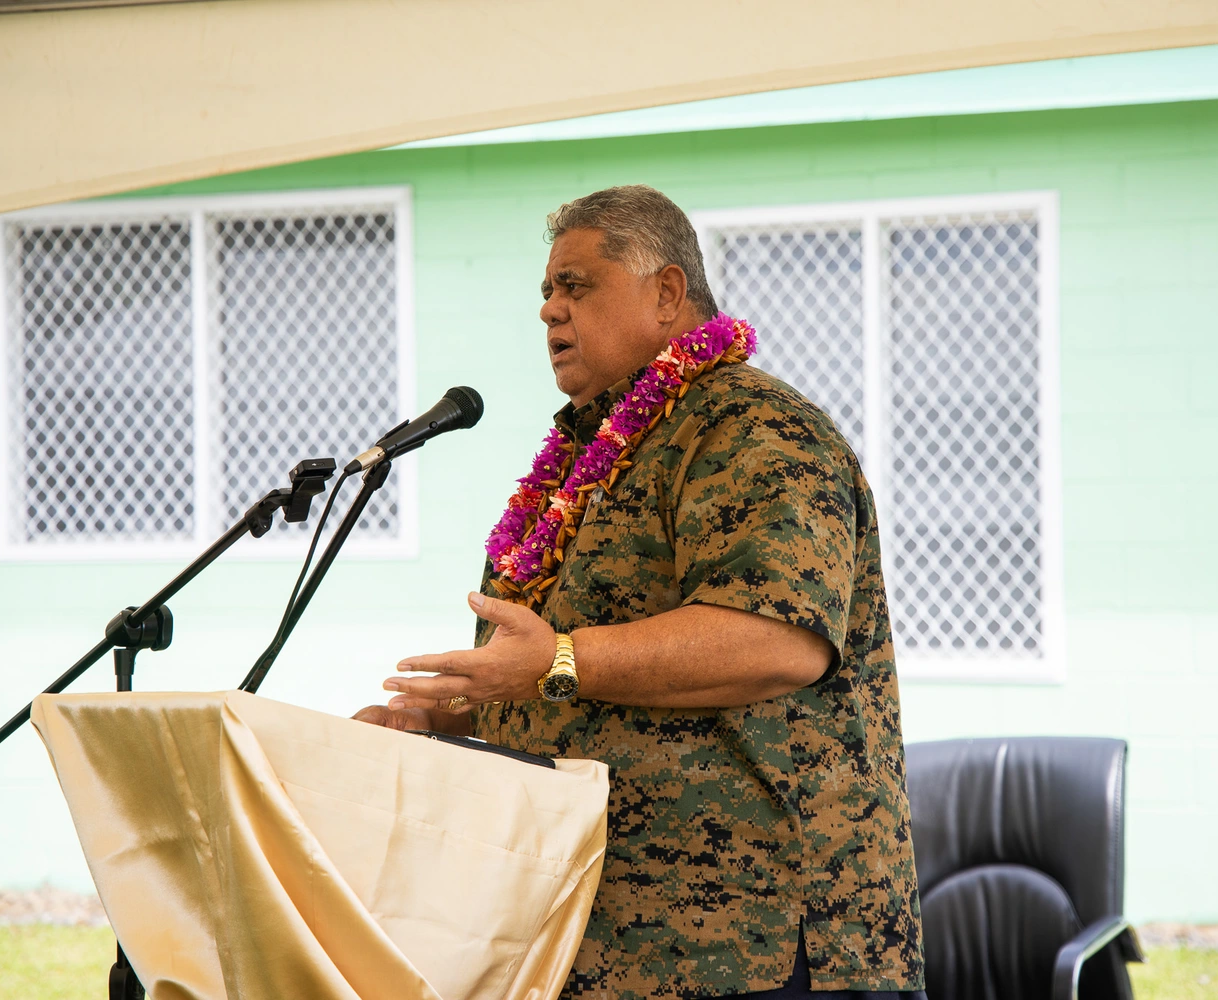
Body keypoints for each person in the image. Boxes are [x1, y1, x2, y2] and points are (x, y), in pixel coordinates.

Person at [355, 185, 925, 999]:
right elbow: (552, 679)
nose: (549, 310)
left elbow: (777, 640)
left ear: (666, 292)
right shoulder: (578, 465)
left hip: (761, 941)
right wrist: (441, 718)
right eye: (546, 291)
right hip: (604, 941)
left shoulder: (754, 428)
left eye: (575, 285)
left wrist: (555, 660)